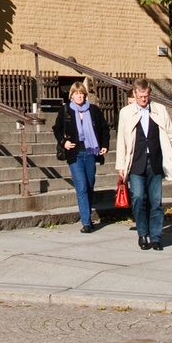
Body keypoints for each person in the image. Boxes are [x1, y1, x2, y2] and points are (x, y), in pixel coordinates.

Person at [115, 79, 172, 250]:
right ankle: (143, 233)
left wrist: (171, 152)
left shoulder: (159, 110)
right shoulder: (126, 113)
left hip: (155, 161)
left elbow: (170, 134)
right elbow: (121, 140)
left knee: (155, 201)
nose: (143, 99)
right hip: (136, 162)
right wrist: (121, 165)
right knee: (138, 198)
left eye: (146, 96)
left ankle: (156, 237)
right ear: (135, 94)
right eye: (140, 96)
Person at [54, 81, 109, 233]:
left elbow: (104, 128)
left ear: (85, 95)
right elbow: (57, 129)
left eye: (81, 93)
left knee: (90, 186)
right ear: (71, 95)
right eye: (76, 93)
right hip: (75, 153)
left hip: (91, 152)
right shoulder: (66, 110)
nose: (79, 96)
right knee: (82, 186)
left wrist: (104, 145)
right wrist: (64, 142)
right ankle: (86, 222)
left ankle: (88, 217)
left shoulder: (93, 110)